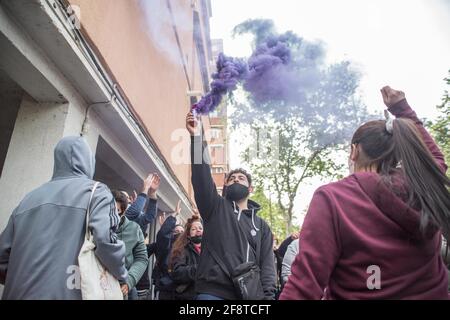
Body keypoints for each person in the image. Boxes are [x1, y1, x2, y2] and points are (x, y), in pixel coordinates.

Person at [280, 86, 450, 300]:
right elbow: (435, 160)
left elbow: (304, 285)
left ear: (354, 151)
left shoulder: (334, 198)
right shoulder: (423, 188)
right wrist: (402, 110)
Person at [0, 136, 127, 299]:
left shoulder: (28, 199)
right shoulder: (97, 193)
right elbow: (106, 241)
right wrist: (122, 274)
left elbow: (2, 258)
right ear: (89, 162)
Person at [186, 112, 277, 300]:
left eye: (241, 178)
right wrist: (196, 138)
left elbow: (267, 265)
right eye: (231, 179)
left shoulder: (261, 226)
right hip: (212, 292)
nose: (235, 180)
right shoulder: (215, 207)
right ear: (225, 185)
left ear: (250, 188)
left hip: (249, 297)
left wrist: (268, 297)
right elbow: (202, 177)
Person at [112, 190, 148, 300]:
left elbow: (142, 259)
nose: (111, 214)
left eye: (116, 211)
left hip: (124, 287)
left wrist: (130, 280)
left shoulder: (134, 229)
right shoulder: (93, 224)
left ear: (123, 212)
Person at [153, 205, 184, 300]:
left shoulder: (188, 248)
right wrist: (174, 215)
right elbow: (163, 234)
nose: (179, 233)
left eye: (182, 232)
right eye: (176, 231)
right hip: (166, 289)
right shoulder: (166, 246)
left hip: (183, 291)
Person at [168, 215, 203, 300]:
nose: (198, 230)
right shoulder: (181, 250)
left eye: (200, 228)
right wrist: (200, 269)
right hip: (188, 296)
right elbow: (177, 272)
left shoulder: (211, 249)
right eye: (194, 229)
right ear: (188, 234)